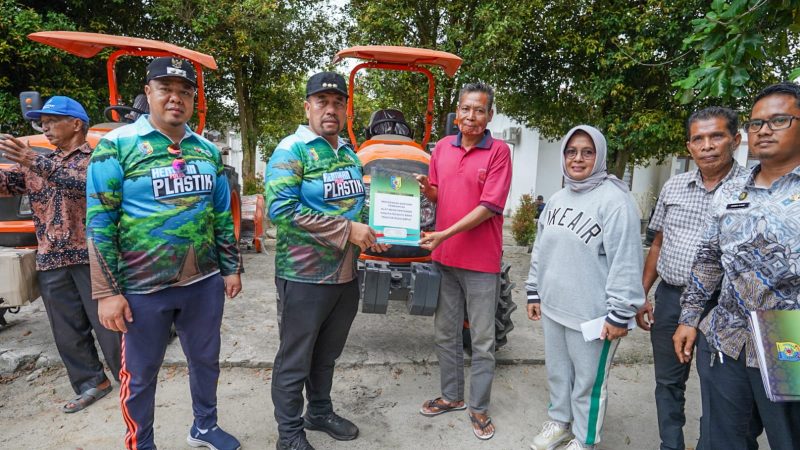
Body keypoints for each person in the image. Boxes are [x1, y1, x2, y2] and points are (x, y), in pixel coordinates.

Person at [86, 57, 243, 450]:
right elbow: (99, 222)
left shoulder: (206, 150)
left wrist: (230, 268)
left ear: (193, 99)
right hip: (141, 287)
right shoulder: (116, 147)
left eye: (185, 91)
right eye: (166, 89)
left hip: (203, 283)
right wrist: (107, 292)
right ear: (148, 93)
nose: (176, 98)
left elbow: (221, 214)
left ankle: (204, 427)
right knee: (140, 374)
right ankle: (142, 443)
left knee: (206, 361)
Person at [673, 83, 800, 450]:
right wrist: (689, 317)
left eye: (779, 120)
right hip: (727, 336)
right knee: (722, 439)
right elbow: (709, 258)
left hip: (789, 339)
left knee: (787, 438)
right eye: (756, 122)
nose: (764, 130)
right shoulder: (733, 190)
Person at [266, 72, 386, 450]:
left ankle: (318, 411)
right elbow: (281, 210)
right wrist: (347, 230)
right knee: (295, 358)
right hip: (304, 276)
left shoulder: (349, 153)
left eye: (338, 103)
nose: (330, 109)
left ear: (346, 109)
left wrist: (376, 231)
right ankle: (289, 434)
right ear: (307, 106)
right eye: (322, 102)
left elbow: (357, 206)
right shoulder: (292, 150)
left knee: (327, 354)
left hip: (346, 276)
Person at [636, 107, 750, 450]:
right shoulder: (674, 186)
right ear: (689, 147)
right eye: (698, 139)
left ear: (735, 139)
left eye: (716, 136)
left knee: (721, 387)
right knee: (669, 382)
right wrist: (642, 293)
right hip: (671, 298)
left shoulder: (752, 188)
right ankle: (670, 444)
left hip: (725, 306)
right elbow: (658, 243)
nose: (707, 146)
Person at [526, 125, 645, 450]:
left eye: (587, 152)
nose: (578, 158)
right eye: (571, 151)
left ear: (600, 156)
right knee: (559, 375)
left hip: (594, 316)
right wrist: (534, 290)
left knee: (588, 385)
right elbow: (541, 249)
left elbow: (626, 262)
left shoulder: (616, 201)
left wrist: (620, 313)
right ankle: (561, 423)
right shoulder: (557, 198)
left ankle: (585, 440)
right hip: (554, 308)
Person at [0, 96, 121, 413]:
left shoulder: (97, 159)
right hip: (50, 259)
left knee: (110, 328)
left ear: (76, 124)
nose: (44, 127)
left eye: (52, 120)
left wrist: (31, 159)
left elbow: (83, 185)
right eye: (42, 121)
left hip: (91, 257)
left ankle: (133, 379)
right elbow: (6, 184)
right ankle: (91, 383)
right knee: (67, 333)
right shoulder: (36, 163)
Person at [416, 82, 512, 441]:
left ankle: (479, 407)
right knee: (445, 333)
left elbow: (489, 207)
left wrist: (444, 234)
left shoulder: (499, 152)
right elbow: (443, 193)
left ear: (489, 116)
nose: (472, 116)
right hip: (446, 259)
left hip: (481, 262)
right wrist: (428, 190)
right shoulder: (441, 147)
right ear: (456, 113)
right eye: (466, 109)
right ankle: (453, 396)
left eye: (480, 110)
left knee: (484, 340)